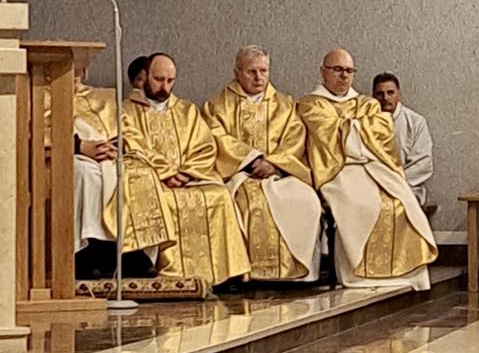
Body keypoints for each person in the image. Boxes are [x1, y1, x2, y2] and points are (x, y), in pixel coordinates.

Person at [298, 50, 437, 290]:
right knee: (360, 204)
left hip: (373, 167)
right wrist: (361, 128)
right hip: (337, 171)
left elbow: (383, 131)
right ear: (323, 72)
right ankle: (359, 273)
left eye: (349, 71)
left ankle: (406, 273)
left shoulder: (367, 103)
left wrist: (347, 128)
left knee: (399, 202)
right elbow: (324, 136)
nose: (344, 76)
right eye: (337, 70)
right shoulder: (311, 104)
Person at [122, 53, 249, 287]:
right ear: (146, 76)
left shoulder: (187, 110)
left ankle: (224, 275)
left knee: (220, 196)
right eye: (158, 79)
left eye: (170, 81)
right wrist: (166, 173)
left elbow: (205, 147)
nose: (164, 87)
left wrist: (187, 172)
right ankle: (166, 271)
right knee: (160, 202)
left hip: (191, 179)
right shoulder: (126, 111)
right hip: (155, 183)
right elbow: (133, 145)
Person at [203, 47, 323, 283]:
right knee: (247, 203)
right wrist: (251, 160)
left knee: (307, 200)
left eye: (263, 71)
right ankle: (249, 273)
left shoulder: (285, 104)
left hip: (280, 173)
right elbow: (215, 136)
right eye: (252, 72)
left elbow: (295, 138)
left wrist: (274, 163)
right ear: (237, 73)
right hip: (240, 174)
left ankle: (297, 273)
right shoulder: (218, 105)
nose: (259, 77)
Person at [72, 65, 165, 276]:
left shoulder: (104, 97)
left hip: (111, 154)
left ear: (85, 71)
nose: (75, 75)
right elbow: (36, 133)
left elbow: (128, 129)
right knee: (87, 174)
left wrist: (118, 145)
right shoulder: (42, 96)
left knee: (141, 173)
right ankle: (89, 253)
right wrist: (79, 146)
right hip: (69, 155)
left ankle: (134, 252)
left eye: (78, 70)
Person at [372, 73, 434, 207]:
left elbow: (422, 163)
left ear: (399, 95)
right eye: (380, 94)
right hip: (373, 186)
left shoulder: (416, 122)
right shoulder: (365, 123)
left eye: (390, 93)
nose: (385, 98)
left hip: (407, 187)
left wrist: (393, 183)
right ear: (373, 97)